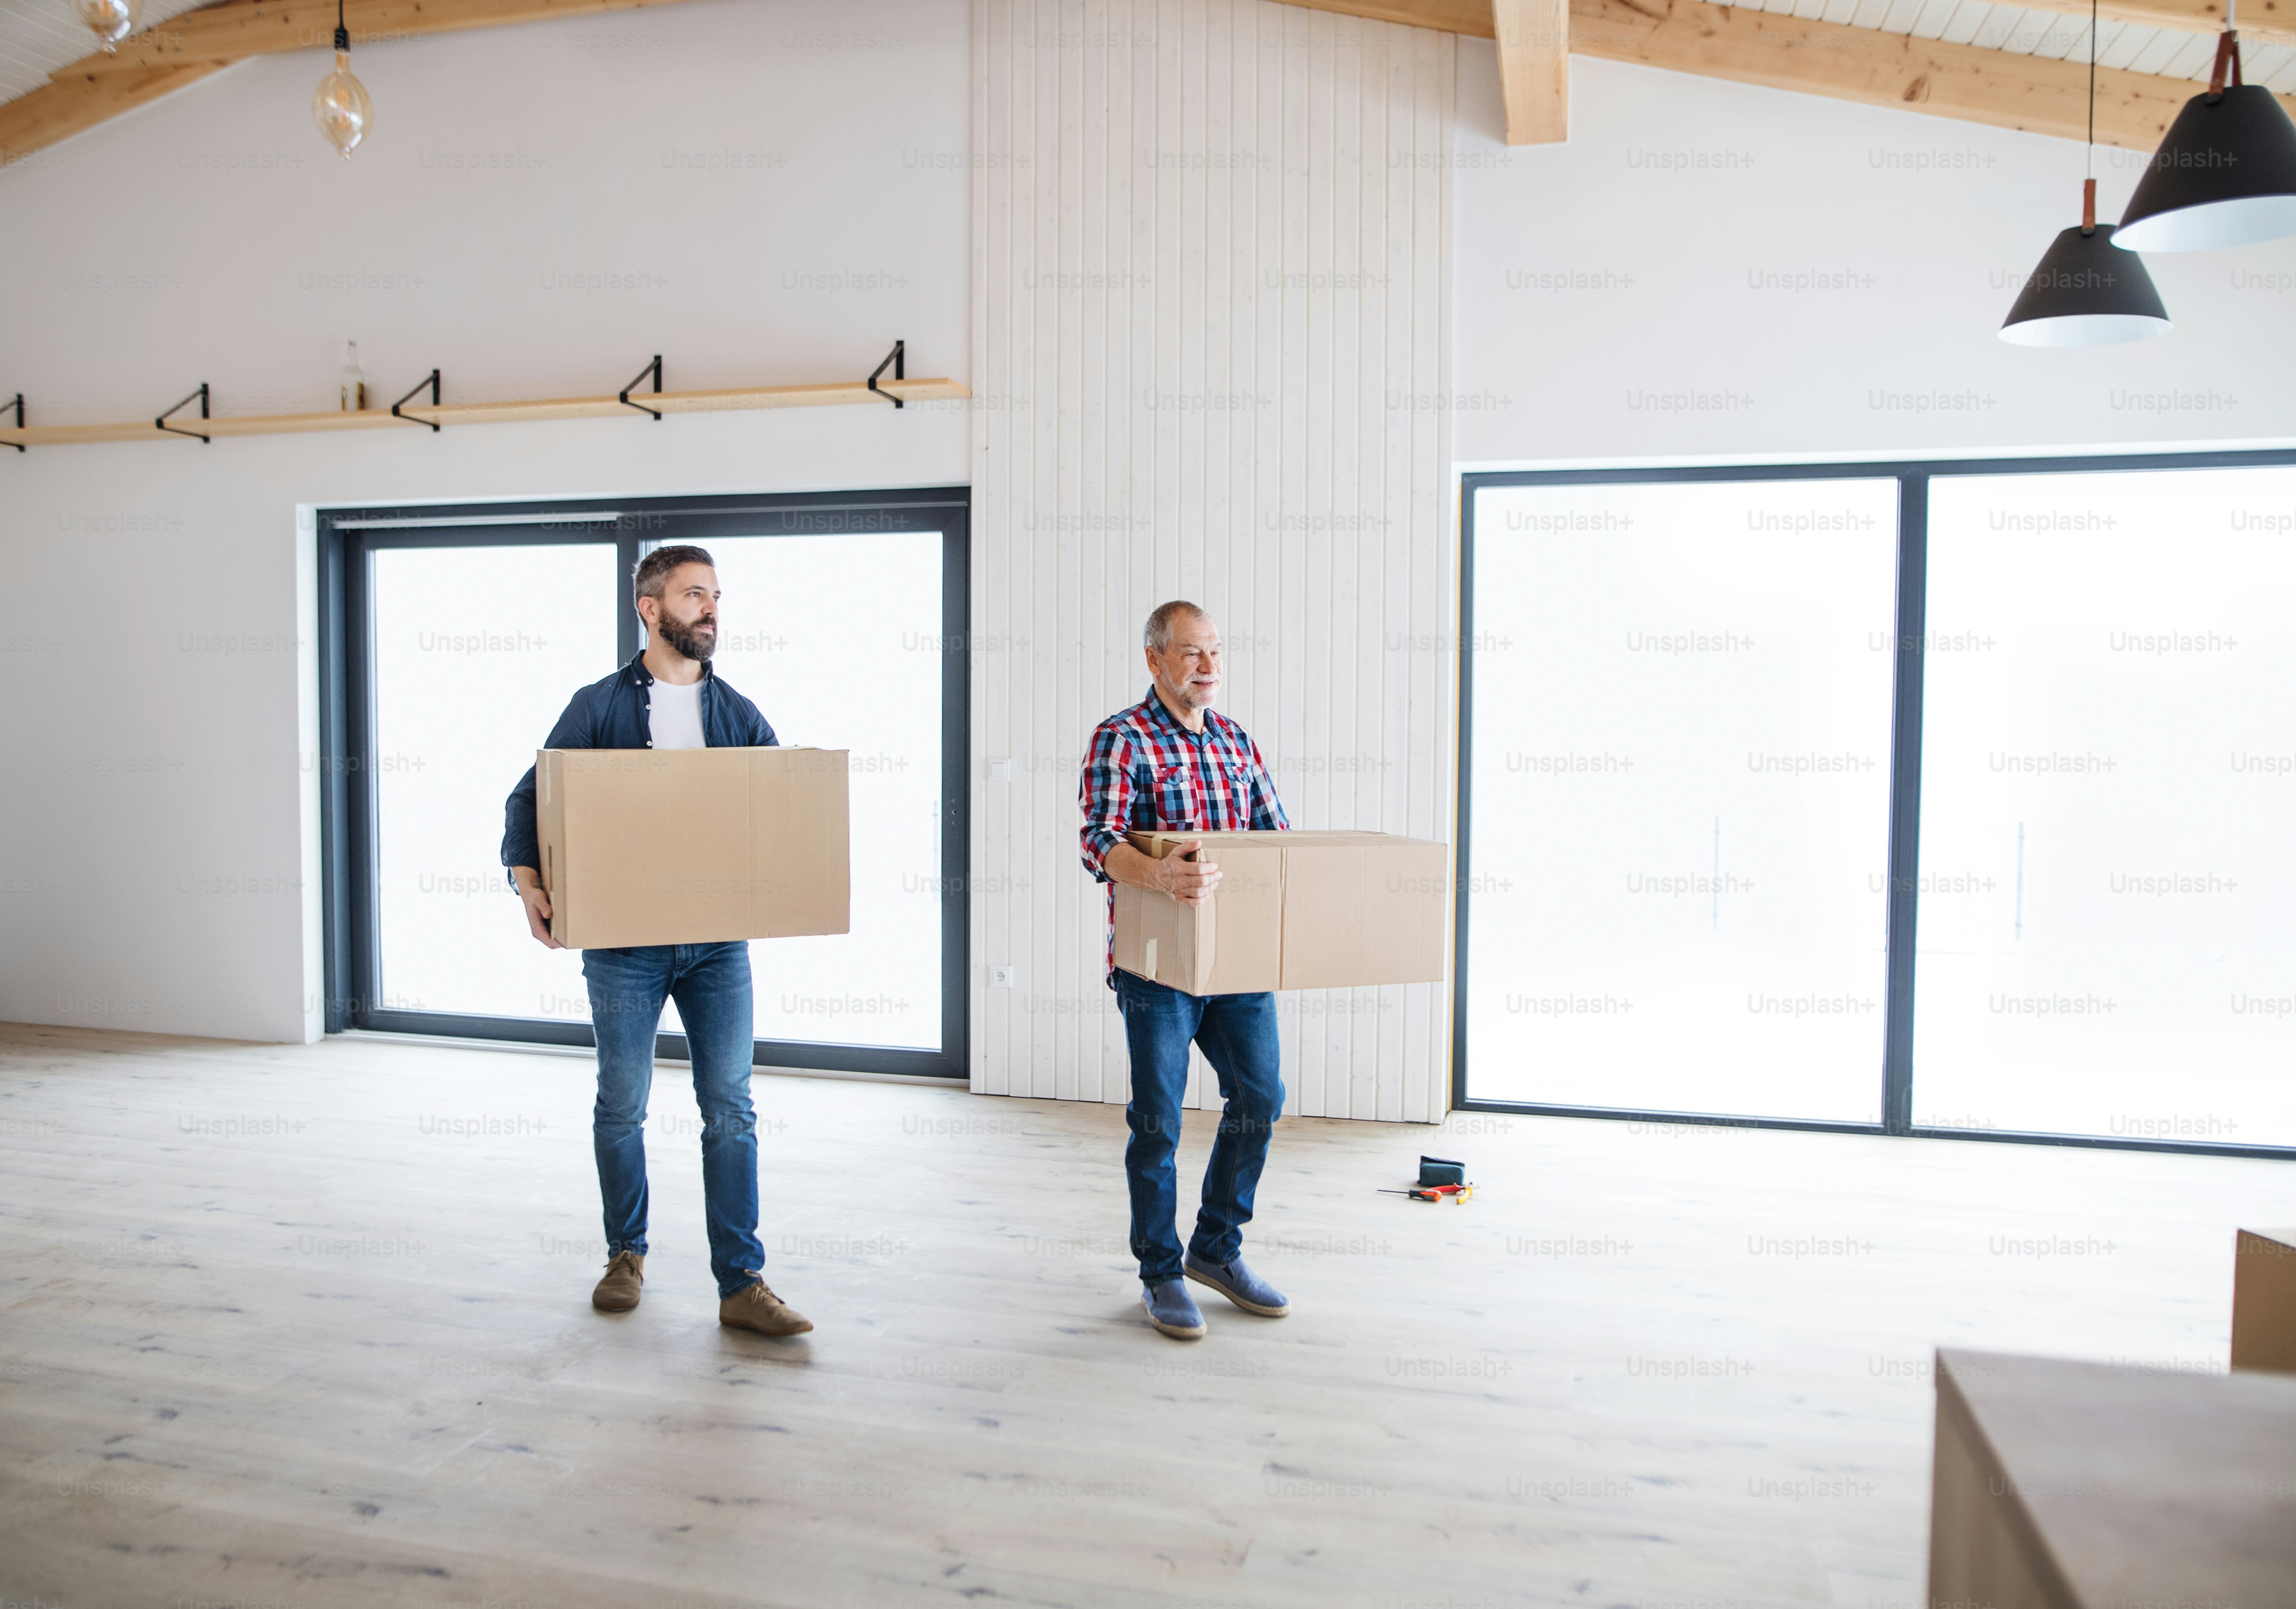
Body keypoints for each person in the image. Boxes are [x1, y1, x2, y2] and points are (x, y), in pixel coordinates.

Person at [500, 544, 811, 1338]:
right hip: (624, 948)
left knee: (730, 1108)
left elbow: (776, 810)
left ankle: (741, 1282)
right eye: (694, 594)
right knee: (622, 1104)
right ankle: (625, 1255)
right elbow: (529, 798)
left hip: (716, 948)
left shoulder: (737, 712)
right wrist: (528, 883)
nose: (710, 609)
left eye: (716, 596)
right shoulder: (597, 706)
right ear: (650, 608)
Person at [1079, 600, 1293, 1340]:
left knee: (1259, 1098)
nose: (1208, 665)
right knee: (1158, 1122)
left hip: (1235, 958)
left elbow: (1274, 838)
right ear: (1155, 659)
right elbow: (1098, 839)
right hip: (1157, 968)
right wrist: (1159, 874)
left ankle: (1216, 1248)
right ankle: (1160, 1271)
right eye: (1191, 652)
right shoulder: (1122, 738)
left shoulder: (1236, 742)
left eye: (1215, 650)